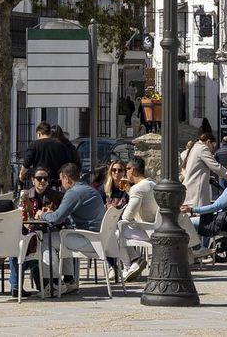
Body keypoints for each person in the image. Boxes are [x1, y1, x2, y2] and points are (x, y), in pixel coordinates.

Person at [41, 163, 105, 291]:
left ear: (66, 178)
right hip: (99, 238)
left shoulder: (74, 193)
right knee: (64, 235)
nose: (61, 184)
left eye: (61, 180)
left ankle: (54, 284)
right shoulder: (90, 189)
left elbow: (56, 218)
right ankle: (69, 280)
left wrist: (43, 215)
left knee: (46, 240)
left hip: (88, 239)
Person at [185, 160, 227, 260]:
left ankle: (197, 250)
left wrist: (192, 210)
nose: (226, 173)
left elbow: (215, 207)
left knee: (188, 222)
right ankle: (200, 252)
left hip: (222, 223)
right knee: (203, 219)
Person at [120, 155, 157, 282]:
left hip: (147, 230)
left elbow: (127, 216)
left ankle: (130, 264)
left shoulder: (138, 188)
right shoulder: (152, 183)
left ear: (133, 170)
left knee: (115, 232)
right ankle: (134, 261)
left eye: (127, 169)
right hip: (156, 226)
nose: (125, 172)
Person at [182, 129, 225, 208]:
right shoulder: (202, 149)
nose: (212, 149)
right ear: (208, 142)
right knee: (199, 217)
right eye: (213, 146)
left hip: (191, 189)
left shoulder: (195, 147)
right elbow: (215, 167)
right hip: (197, 192)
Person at [20, 122, 70, 188]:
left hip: (40, 182)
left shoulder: (34, 145)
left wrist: (21, 175)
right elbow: (66, 164)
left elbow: (26, 164)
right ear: (50, 133)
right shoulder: (60, 145)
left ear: (39, 133)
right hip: (56, 183)